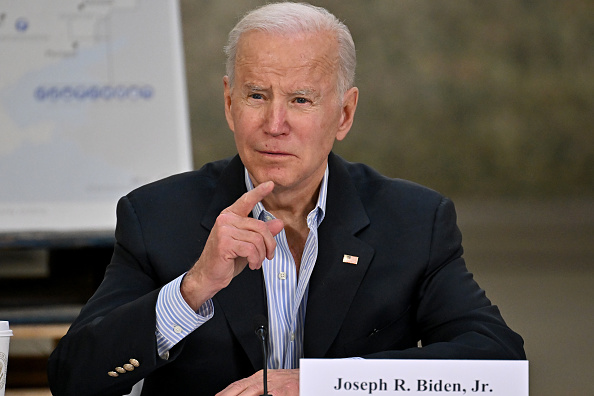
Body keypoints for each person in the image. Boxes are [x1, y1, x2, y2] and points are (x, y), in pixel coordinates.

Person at [48, 3, 525, 395]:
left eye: (300, 99)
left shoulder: (415, 221)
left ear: (344, 114)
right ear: (230, 104)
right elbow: (72, 378)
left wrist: (320, 385)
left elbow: (500, 363)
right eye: (257, 95)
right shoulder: (155, 217)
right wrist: (191, 290)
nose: (275, 124)